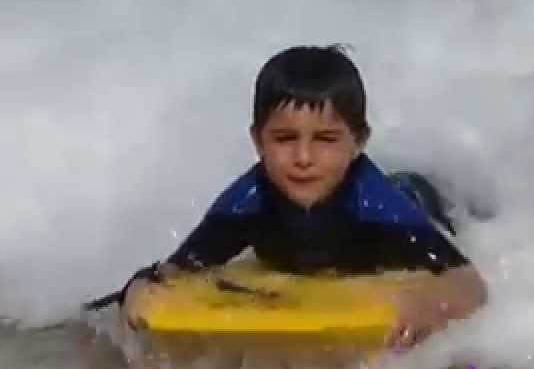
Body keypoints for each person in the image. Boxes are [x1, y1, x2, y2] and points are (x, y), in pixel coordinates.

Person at [87, 44, 488, 350]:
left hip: (421, 197)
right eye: (284, 139)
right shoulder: (248, 202)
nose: (303, 158)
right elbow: (178, 269)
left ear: (359, 142)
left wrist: (431, 302)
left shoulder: (379, 208)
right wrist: (138, 290)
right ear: (257, 141)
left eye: (327, 140)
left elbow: (468, 283)